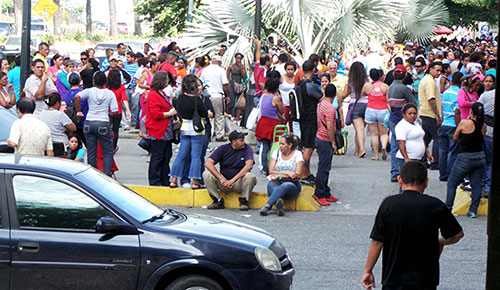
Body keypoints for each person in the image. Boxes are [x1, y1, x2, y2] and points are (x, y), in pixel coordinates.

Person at [362, 161, 464, 290]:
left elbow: (377, 241)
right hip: (425, 280)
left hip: (393, 279)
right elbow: (457, 234)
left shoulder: (389, 204)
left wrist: (368, 270)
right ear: (426, 182)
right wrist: (441, 242)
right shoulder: (435, 205)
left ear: (400, 180)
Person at [445, 102, 486, 218]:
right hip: (480, 156)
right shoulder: (483, 125)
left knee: (452, 182)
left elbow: (455, 137)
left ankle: (448, 208)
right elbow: (481, 137)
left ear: (471, 112)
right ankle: (473, 210)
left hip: (465, 157)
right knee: (476, 185)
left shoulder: (464, 123)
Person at [74, 71, 119, 177]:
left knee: (91, 152)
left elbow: (77, 97)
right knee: (107, 152)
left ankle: (92, 175)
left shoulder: (89, 91)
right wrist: (108, 114)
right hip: (103, 122)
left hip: (89, 122)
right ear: (105, 82)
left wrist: (79, 111)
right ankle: (107, 175)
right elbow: (115, 111)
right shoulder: (110, 93)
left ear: (94, 81)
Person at [169, 74, 208, 189]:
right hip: (197, 130)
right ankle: (195, 182)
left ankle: (174, 179)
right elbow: (204, 114)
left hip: (184, 128)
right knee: (195, 157)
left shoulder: (179, 99)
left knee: (181, 155)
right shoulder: (197, 99)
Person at [203, 130, 257, 211]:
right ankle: (217, 200)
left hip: (239, 182)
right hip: (224, 182)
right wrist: (221, 178)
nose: (243, 142)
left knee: (250, 177)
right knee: (206, 174)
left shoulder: (247, 148)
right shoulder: (223, 148)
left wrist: (233, 180)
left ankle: (244, 201)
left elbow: (249, 165)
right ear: (234, 142)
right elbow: (208, 163)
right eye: (241, 140)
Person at [145, 71, 178, 186]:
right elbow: (155, 114)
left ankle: (164, 179)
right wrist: (169, 113)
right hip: (158, 131)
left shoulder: (161, 93)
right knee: (157, 157)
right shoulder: (153, 94)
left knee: (166, 156)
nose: (168, 82)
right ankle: (154, 181)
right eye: (166, 80)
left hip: (166, 131)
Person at [259, 134, 303, 216]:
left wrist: (280, 175)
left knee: (285, 185)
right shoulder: (276, 153)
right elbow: (271, 171)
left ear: (290, 145)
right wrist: (287, 173)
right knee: (272, 185)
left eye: (283, 144)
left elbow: (297, 174)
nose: (280, 146)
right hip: (276, 181)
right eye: (280, 144)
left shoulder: (298, 154)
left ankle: (267, 206)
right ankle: (279, 204)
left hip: (292, 184)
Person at [296, 60, 323, 185]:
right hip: (310, 119)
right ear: (313, 70)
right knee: (309, 147)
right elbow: (321, 97)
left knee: (306, 145)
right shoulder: (309, 85)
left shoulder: (299, 84)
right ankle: (302, 173)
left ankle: (307, 173)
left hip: (302, 118)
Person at [387, 64, 416, 181]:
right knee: (404, 146)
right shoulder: (404, 89)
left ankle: (395, 172)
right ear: (404, 75)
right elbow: (413, 103)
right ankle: (403, 171)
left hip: (393, 119)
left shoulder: (390, 88)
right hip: (401, 121)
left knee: (395, 146)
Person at [312, 84, 339, 206]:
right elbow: (330, 127)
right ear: (335, 94)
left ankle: (326, 191)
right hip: (325, 140)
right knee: (323, 168)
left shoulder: (321, 104)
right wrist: (333, 142)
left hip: (319, 137)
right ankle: (319, 192)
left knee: (325, 167)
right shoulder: (330, 108)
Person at [255, 71, 285, 176]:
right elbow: (282, 110)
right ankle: (275, 165)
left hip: (263, 123)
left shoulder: (263, 96)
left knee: (265, 146)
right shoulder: (275, 98)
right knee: (277, 146)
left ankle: (264, 167)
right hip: (273, 124)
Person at [340, 61, 368, 158]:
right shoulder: (367, 81)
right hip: (366, 106)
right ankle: (357, 150)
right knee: (360, 129)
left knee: (358, 129)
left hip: (355, 106)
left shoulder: (350, 83)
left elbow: (343, 95)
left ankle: (362, 149)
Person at [418, 61, 443, 170]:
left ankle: (423, 160)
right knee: (436, 138)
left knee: (426, 138)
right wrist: (437, 115)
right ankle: (435, 162)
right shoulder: (429, 81)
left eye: (440, 71)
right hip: (430, 114)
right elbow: (431, 99)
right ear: (430, 69)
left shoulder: (427, 80)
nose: (438, 73)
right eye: (437, 70)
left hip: (425, 113)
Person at [200, 55, 230, 141]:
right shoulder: (221, 70)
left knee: (207, 114)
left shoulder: (205, 70)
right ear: (220, 62)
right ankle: (219, 135)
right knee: (219, 115)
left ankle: (209, 134)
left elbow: (201, 82)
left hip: (206, 94)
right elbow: (225, 85)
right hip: (217, 94)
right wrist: (227, 95)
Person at [438, 72, 462, 182]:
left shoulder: (445, 92)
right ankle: (450, 175)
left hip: (444, 124)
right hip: (453, 125)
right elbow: (457, 111)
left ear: (451, 81)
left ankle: (442, 175)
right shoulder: (460, 94)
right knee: (452, 152)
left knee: (442, 151)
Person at [362, 69, 390, 160]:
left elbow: (363, 94)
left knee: (374, 134)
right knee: (384, 133)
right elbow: (388, 100)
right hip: (383, 110)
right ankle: (384, 147)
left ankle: (376, 155)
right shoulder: (385, 86)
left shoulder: (367, 86)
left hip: (371, 110)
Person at [395, 104, 434, 169]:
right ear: (404, 115)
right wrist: (406, 158)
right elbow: (400, 142)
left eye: (414, 113)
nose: (412, 116)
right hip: (408, 159)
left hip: (418, 159)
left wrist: (428, 154)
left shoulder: (416, 124)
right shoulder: (402, 125)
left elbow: (421, 139)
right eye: (409, 114)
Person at [107, 69, 131, 150]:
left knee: (107, 129)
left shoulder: (106, 87)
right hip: (118, 110)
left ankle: (107, 145)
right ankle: (113, 146)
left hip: (107, 110)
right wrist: (128, 110)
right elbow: (124, 99)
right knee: (115, 129)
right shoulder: (121, 88)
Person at [478, 79, 494, 196]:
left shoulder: (485, 96)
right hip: (488, 131)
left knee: (487, 161)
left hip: (486, 132)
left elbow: (477, 109)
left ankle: (486, 186)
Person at [124, 52, 140, 128]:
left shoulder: (138, 66)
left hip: (135, 89)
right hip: (126, 88)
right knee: (125, 106)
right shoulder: (124, 65)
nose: (127, 59)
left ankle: (134, 122)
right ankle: (125, 122)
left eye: (128, 57)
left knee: (135, 105)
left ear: (133, 58)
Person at [279, 62, 296, 132]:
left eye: (292, 69)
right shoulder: (281, 78)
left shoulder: (296, 78)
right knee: (282, 124)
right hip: (284, 104)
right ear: (285, 70)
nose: (290, 71)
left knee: (293, 126)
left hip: (293, 105)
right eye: (288, 69)